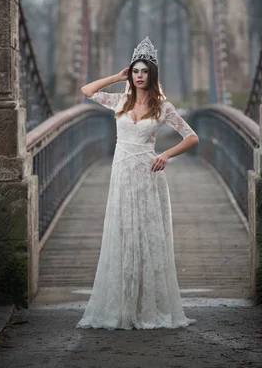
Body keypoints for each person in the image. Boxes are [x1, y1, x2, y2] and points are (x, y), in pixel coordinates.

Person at [76, 36, 199, 330]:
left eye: (144, 71)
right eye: (135, 71)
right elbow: (87, 90)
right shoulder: (120, 100)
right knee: (122, 233)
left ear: (152, 74)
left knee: (147, 235)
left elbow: (193, 137)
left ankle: (147, 305)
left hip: (147, 176)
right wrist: (117, 76)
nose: (139, 76)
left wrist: (166, 154)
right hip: (121, 175)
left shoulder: (163, 107)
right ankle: (122, 304)